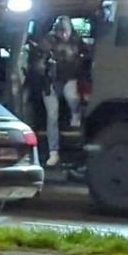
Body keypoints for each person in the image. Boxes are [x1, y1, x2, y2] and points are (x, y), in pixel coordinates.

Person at [38, 16, 85, 167]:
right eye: (61, 31)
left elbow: (87, 55)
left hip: (69, 78)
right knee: (52, 116)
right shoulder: (48, 41)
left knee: (72, 96)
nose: (64, 34)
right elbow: (39, 61)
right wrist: (45, 67)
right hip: (51, 81)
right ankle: (53, 152)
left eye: (66, 30)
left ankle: (76, 115)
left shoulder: (77, 41)